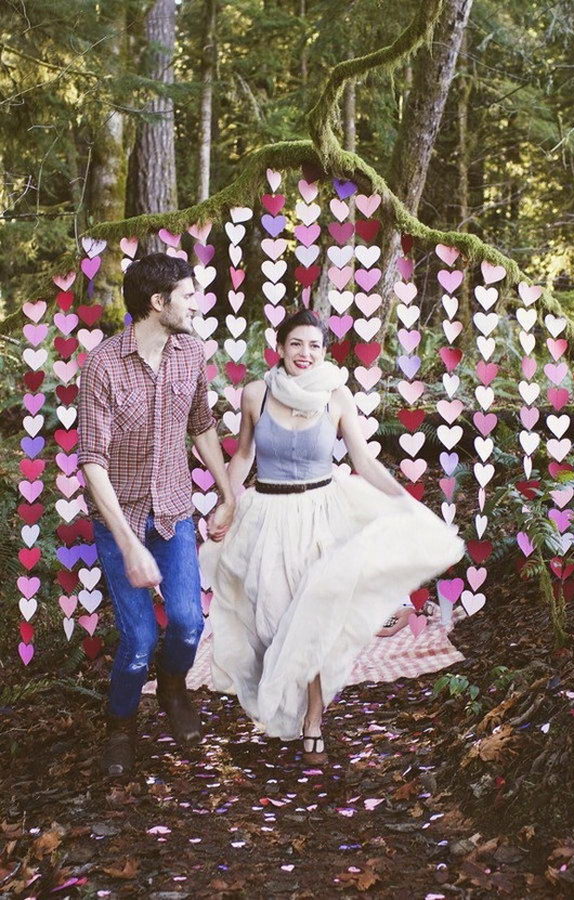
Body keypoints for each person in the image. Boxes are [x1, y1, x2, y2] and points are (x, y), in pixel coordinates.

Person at [196, 308, 464, 764]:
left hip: (322, 513)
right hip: (268, 516)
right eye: (296, 343)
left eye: (315, 345)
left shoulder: (336, 397)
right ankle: (281, 697)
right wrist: (226, 499)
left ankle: (313, 721)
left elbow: (363, 462)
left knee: (314, 617)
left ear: (324, 351)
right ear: (279, 348)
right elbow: (242, 457)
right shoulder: (256, 394)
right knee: (273, 621)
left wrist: (405, 501)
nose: (305, 353)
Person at [78, 253, 235, 777]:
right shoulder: (102, 366)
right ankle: (120, 724)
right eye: (189, 294)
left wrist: (227, 492)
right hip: (118, 520)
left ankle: (172, 689)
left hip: (173, 509)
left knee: (189, 626)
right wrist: (129, 545)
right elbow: (92, 465)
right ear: (157, 302)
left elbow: (202, 424)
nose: (197, 302)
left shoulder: (191, 352)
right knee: (140, 638)